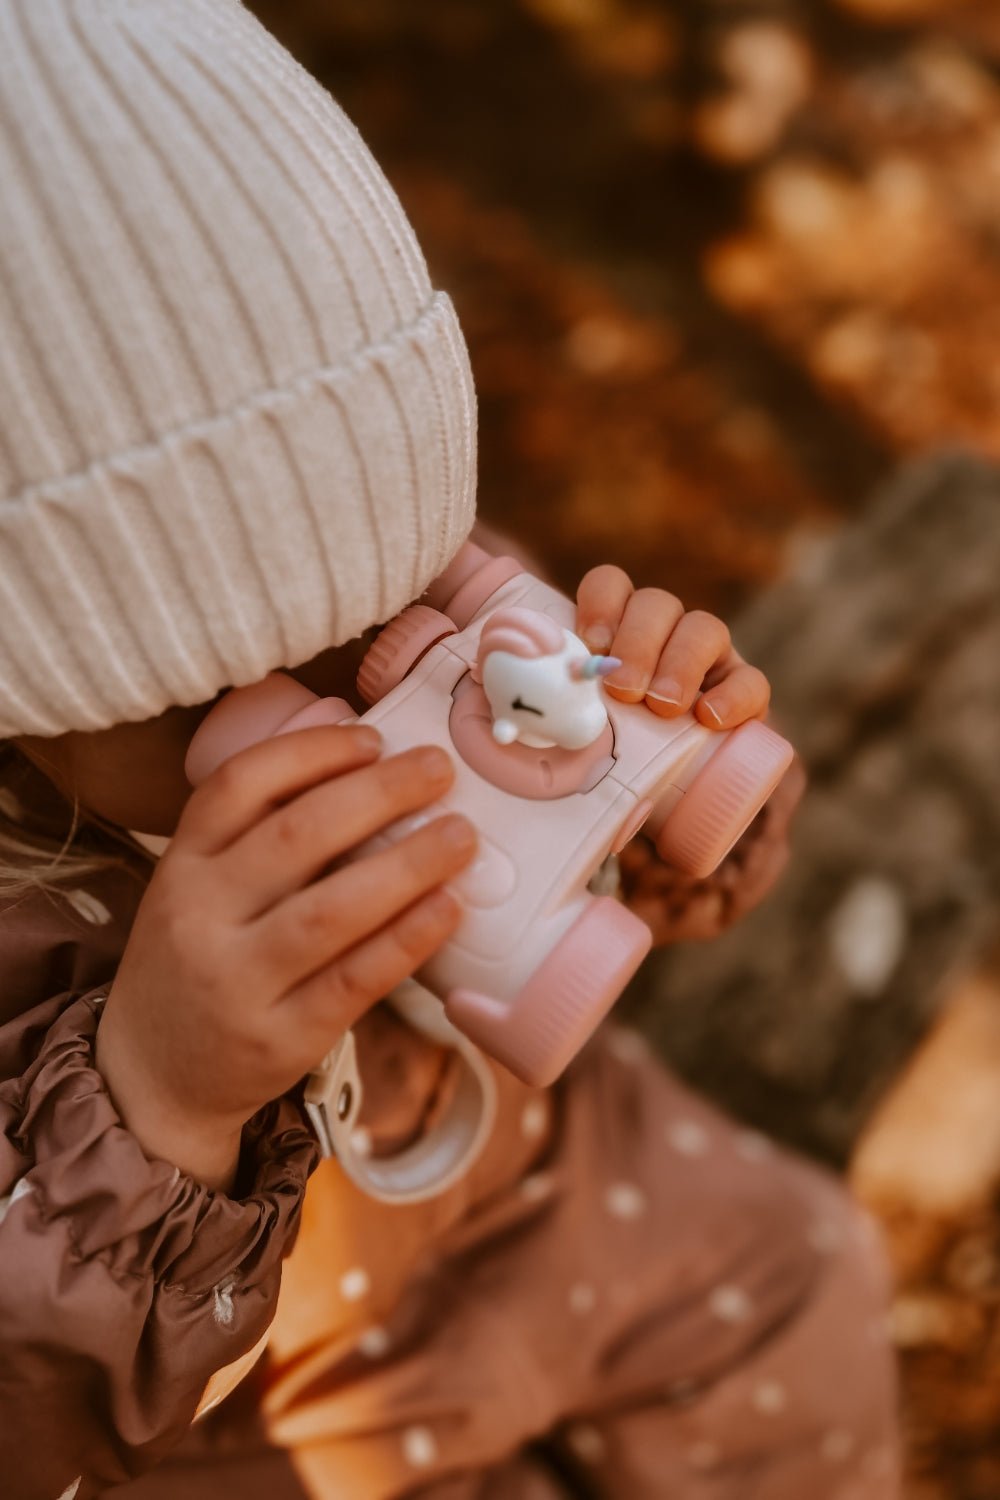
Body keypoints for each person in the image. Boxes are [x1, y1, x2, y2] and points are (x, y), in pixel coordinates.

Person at [0, 3, 899, 1497]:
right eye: (211, 687)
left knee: (798, 1265)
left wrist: (645, 813)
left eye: (394, 582)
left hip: (508, 1190)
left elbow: (486, 683)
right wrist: (158, 1102)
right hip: (218, 1404)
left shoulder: (383, 585)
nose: (353, 684)